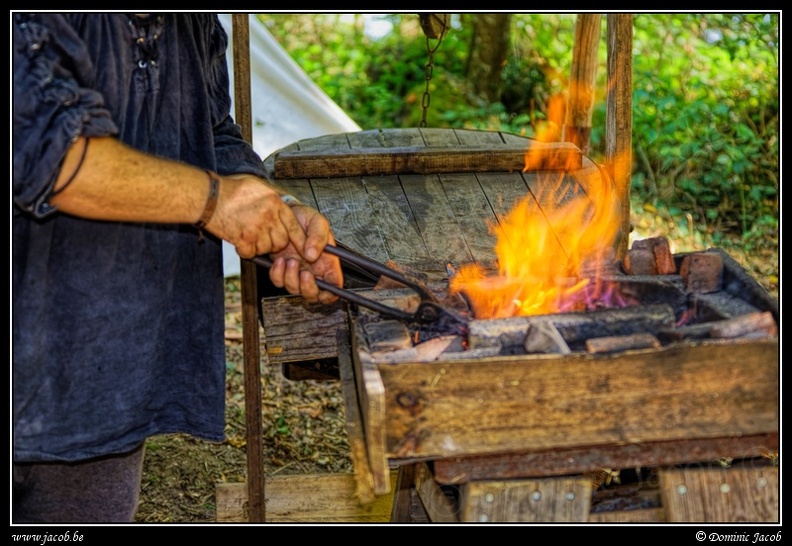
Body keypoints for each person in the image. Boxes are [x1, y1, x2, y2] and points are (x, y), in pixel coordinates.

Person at [12, 13, 343, 523]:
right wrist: (215, 201)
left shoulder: (191, 21)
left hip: (106, 369)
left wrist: (275, 211)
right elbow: (43, 149)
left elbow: (212, 133)